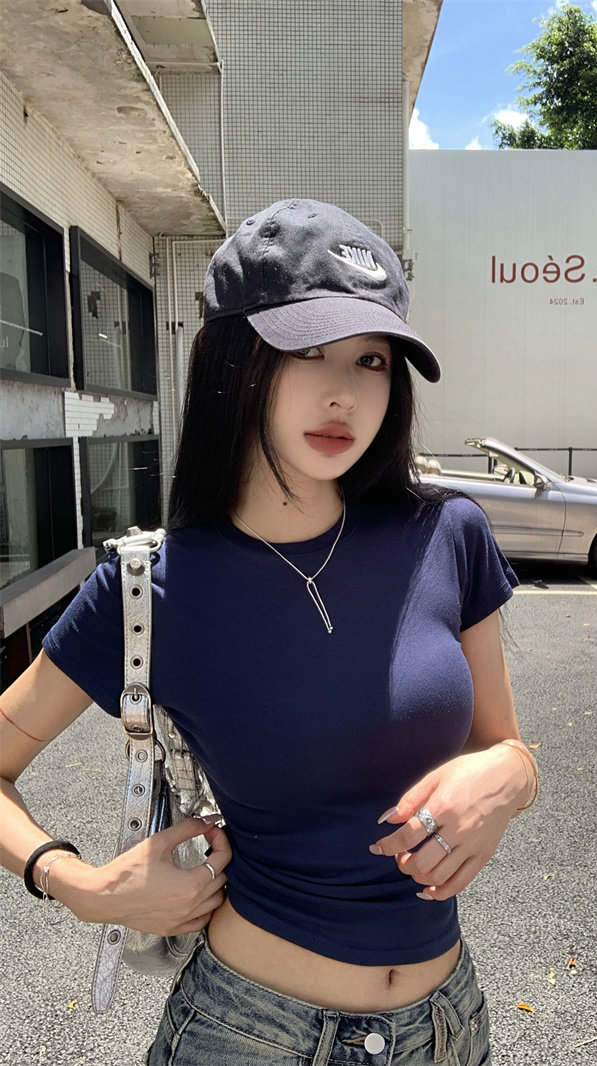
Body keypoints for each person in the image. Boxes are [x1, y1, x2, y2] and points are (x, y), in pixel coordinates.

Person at [0, 199, 538, 1064]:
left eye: (371, 359)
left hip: (446, 1027)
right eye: (306, 351)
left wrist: (511, 778)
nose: (344, 393)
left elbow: (503, 746)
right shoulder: (153, 588)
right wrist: (80, 885)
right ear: (232, 359)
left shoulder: (446, 535)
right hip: (248, 1033)